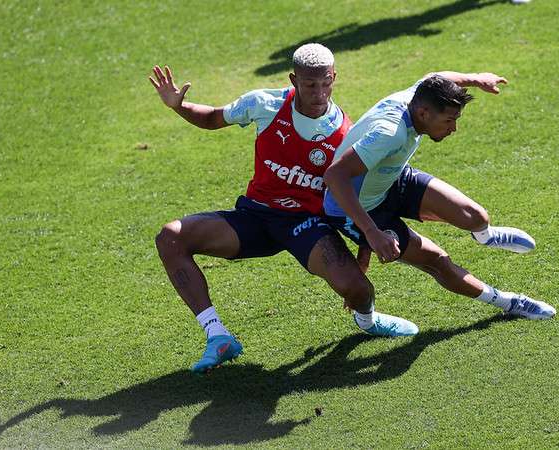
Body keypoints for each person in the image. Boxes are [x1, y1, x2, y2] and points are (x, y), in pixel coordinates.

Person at [148, 44, 415, 374]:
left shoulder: (347, 134)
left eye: (326, 82)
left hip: (305, 226)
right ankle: (218, 336)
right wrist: (179, 106)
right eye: (309, 84)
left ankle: (369, 320)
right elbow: (214, 118)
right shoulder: (265, 104)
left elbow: (359, 196)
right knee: (170, 237)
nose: (319, 92)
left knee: (359, 289)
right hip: (256, 216)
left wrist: (362, 256)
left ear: (334, 78)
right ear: (293, 79)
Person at [323, 72, 556, 331]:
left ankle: (485, 236)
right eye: (449, 120)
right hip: (356, 208)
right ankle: (510, 303)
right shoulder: (390, 133)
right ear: (424, 113)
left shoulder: (417, 96)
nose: (453, 129)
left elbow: (436, 76)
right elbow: (335, 176)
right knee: (437, 261)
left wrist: (476, 79)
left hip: (389, 179)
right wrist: (371, 234)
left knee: (475, 216)